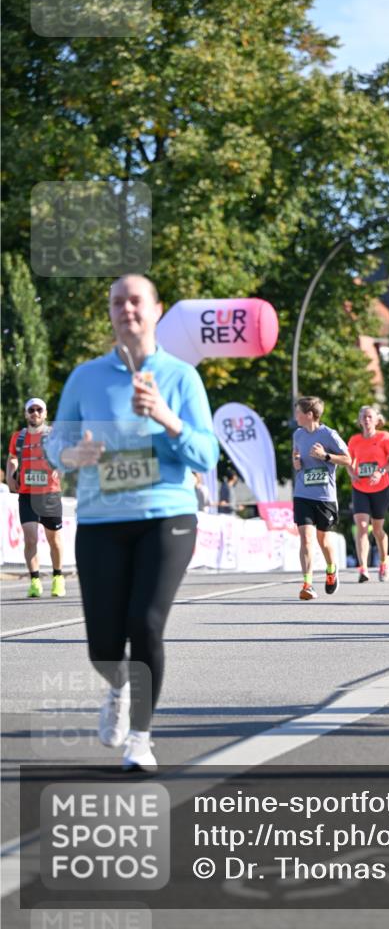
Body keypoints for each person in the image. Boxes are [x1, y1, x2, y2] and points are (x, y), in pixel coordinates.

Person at [46, 274, 219, 770]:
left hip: (166, 514)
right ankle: (117, 687)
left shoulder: (181, 377)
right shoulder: (86, 378)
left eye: (136, 300)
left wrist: (169, 418)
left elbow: (205, 451)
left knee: (145, 624)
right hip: (102, 518)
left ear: (157, 309)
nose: (128, 309)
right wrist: (72, 453)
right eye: (118, 302)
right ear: (110, 312)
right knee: (103, 645)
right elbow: (54, 445)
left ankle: (140, 738)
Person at [292, 396, 351, 600]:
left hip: (324, 496)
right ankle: (307, 584)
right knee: (306, 538)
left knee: (323, 539)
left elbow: (348, 459)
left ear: (309, 414)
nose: (295, 415)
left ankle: (331, 569)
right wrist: (297, 463)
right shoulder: (297, 434)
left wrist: (325, 456)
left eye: (298, 411)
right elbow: (296, 457)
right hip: (302, 494)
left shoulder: (329, 435)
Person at [6, 398, 66, 598]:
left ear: (45, 413)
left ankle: (58, 577)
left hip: (50, 493)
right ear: (26, 414)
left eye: (39, 409)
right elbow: (12, 457)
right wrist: (10, 474)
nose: (35, 413)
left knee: (54, 539)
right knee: (30, 538)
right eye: (31, 410)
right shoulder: (18, 437)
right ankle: (35, 581)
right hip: (27, 493)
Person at [347, 406, 389, 582]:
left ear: (377, 420)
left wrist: (380, 472)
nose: (367, 420)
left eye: (370, 417)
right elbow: (348, 461)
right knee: (361, 526)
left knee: (377, 529)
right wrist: (351, 472)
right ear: (360, 420)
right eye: (363, 417)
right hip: (360, 488)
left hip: (381, 489)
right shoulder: (354, 440)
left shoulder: (384, 437)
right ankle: (363, 568)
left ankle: (385, 561)